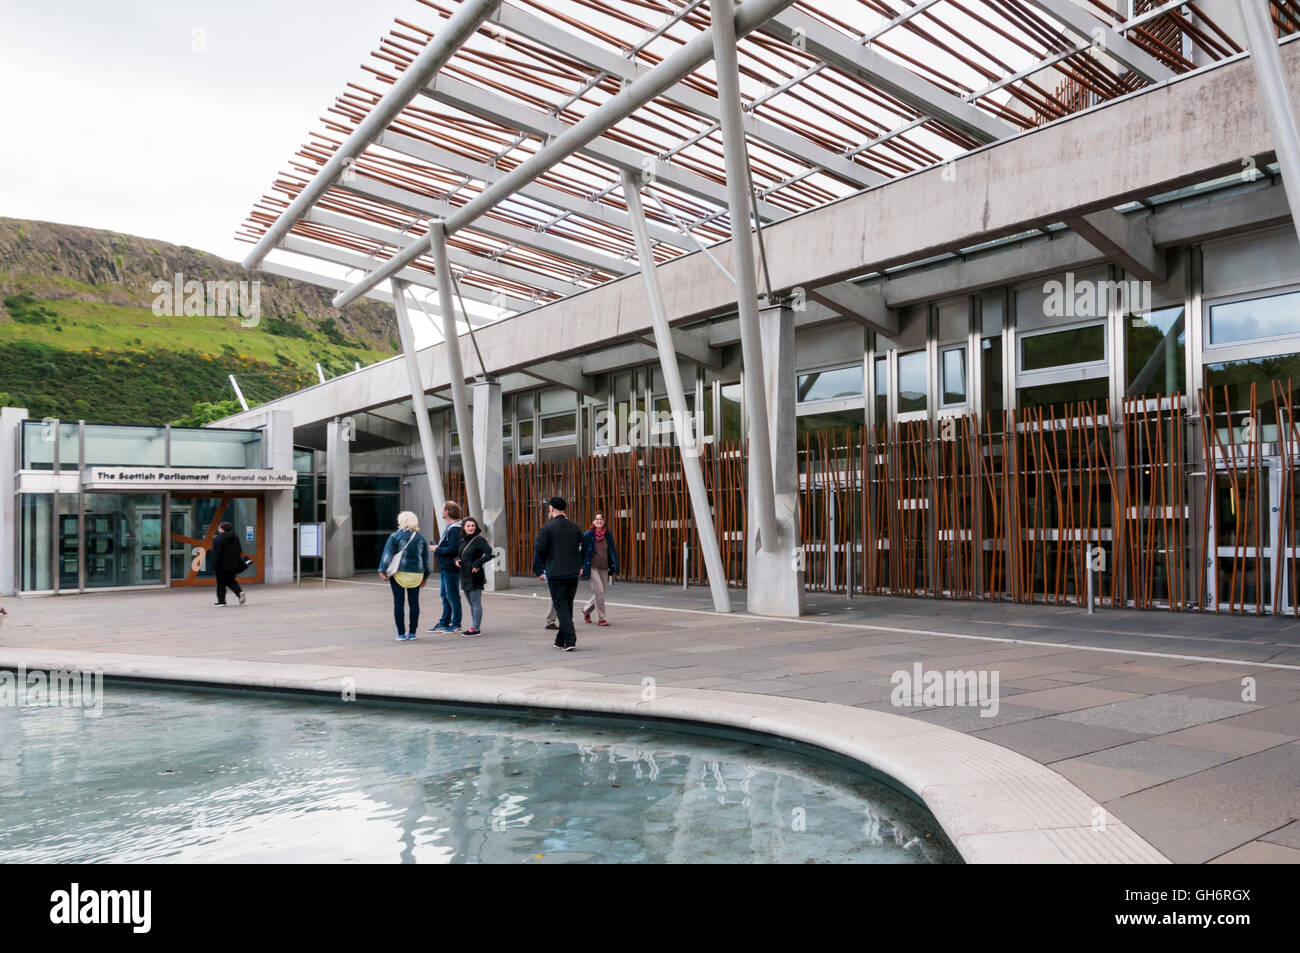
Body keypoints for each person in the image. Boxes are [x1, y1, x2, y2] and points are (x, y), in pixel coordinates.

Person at [533, 496, 584, 651]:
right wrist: (581, 566)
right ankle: (560, 639)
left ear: (551, 508)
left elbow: (540, 549)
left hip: (556, 573)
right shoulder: (575, 527)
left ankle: (570, 639)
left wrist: (538, 570)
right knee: (567, 605)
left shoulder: (547, 528)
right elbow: (584, 547)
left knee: (561, 606)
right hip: (573, 573)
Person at [378, 511, 431, 641]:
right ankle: (412, 633)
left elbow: (388, 555)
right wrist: (425, 577)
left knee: (399, 603)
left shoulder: (395, 536)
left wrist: (382, 570)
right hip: (416, 574)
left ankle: (401, 634)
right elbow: (426, 560)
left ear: (401, 521)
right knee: (414, 603)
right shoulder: (421, 538)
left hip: (399, 574)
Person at [456, 517, 495, 637]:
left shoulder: (479, 540)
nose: (471, 528)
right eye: (468, 526)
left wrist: (477, 563)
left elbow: (490, 553)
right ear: (464, 528)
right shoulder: (462, 540)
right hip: (464, 574)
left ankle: (475, 628)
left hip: (474, 574)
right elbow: (459, 555)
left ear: (476, 526)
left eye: (473, 525)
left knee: (475, 602)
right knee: (471, 603)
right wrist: (457, 559)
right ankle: (473, 626)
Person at [429, 501, 464, 633]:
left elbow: (452, 549)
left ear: (448, 512)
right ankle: (444, 621)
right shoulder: (452, 527)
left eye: (443, 509)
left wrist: (436, 549)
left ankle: (455, 623)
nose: (441, 511)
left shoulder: (454, 528)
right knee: (445, 595)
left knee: (452, 596)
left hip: (450, 567)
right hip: (446, 567)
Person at [580, 512, 619, 626]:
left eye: (601, 519)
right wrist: (581, 567)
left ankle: (586, 610)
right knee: (600, 592)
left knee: (601, 592)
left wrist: (614, 565)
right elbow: (582, 552)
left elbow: (612, 551)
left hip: (604, 567)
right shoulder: (587, 535)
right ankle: (601, 618)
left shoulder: (608, 535)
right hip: (592, 567)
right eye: (597, 519)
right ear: (593, 522)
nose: (599, 521)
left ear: (604, 521)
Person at [211, 522, 252, 607]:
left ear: (222, 529)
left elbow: (216, 554)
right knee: (230, 580)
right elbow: (239, 550)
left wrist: (213, 566)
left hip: (221, 565)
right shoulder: (235, 537)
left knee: (221, 583)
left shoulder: (218, 539)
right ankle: (239, 593)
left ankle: (221, 601)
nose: (218, 530)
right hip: (233, 564)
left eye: (219, 528)